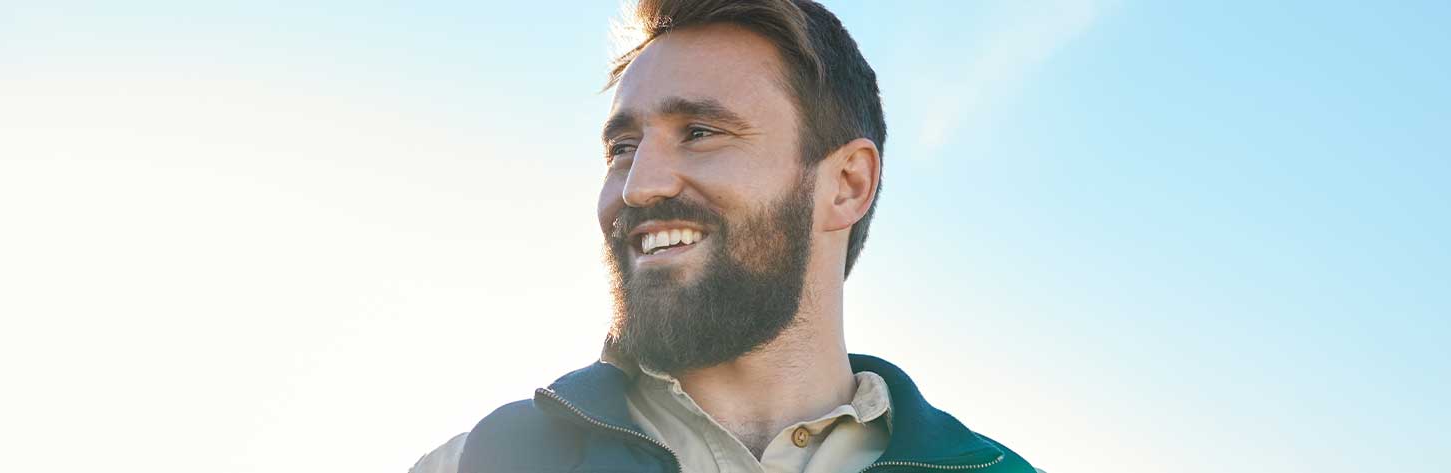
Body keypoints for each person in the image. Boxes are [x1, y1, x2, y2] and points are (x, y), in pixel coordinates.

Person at [412, 1, 1043, 472]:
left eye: (700, 132)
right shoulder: (479, 462)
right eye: (623, 148)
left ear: (846, 184)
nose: (638, 186)